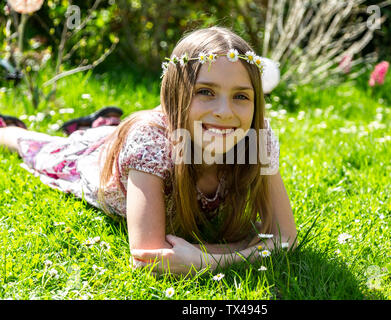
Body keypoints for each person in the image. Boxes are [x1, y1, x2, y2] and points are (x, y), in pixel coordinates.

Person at [0, 26, 297, 274]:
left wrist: (204, 259)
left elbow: (286, 240)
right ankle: (10, 129)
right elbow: (149, 256)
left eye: (241, 96)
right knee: (42, 147)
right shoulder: (151, 141)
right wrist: (246, 247)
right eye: (205, 92)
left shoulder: (256, 138)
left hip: (139, 136)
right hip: (93, 159)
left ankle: (102, 124)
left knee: (103, 134)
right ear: (175, 94)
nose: (224, 111)